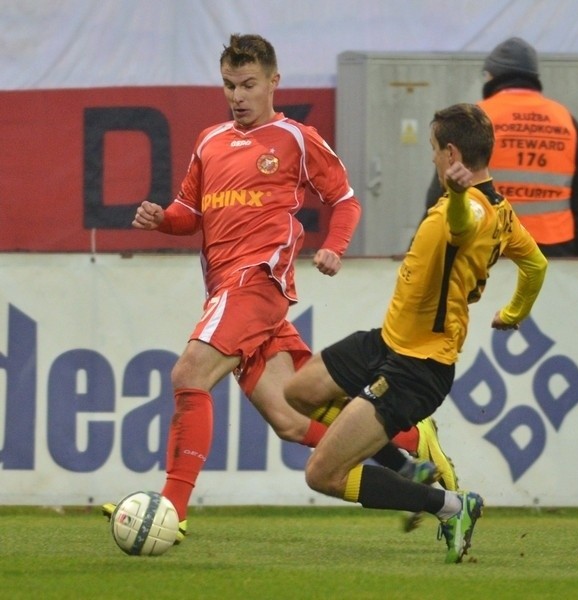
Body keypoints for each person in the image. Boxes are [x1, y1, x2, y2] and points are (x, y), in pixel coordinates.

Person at [102, 33, 458, 543]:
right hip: (224, 287)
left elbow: (347, 200)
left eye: (248, 85)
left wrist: (334, 245)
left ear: (273, 82)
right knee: (292, 422)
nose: (237, 96)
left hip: (257, 283)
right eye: (229, 85)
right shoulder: (210, 141)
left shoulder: (295, 138)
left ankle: (171, 511)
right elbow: (191, 215)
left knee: (189, 373)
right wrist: (163, 219)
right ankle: (409, 447)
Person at [284, 103, 548, 563]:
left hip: (417, 366)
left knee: (322, 474)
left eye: (432, 150)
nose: (431, 158)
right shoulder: (502, 211)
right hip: (388, 342)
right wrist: (513, 311)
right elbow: (536, 265)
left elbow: (465, 225)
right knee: (299, 391)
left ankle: (450, 506)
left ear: (450, 154)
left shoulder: (471, 211)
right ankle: (407, 464)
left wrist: (461, 196)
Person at [425, 37, 578, 257]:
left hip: (487, 247)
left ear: (490, 77)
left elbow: (441, 193)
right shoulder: (566, 121)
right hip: (554, 250)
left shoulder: (474, 119)